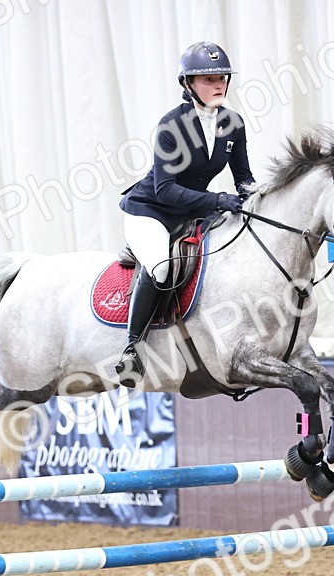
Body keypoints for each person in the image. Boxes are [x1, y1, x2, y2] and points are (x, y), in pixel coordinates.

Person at [114, 41, 257, 388]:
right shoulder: (171, 126)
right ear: (188, 84)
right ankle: (133, 349)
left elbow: (244, 179)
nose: (218, 84)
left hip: (191, 212)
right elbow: (165, 189)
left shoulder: (233, 124)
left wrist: (262, 200)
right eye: (208, 79)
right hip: (151, 210)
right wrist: (217, 199)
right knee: (162, 268)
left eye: (222, 78)